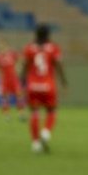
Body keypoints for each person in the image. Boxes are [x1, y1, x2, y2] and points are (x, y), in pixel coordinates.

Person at [21, 24, 66, 153]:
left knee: (34, 113)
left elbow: (24, 67)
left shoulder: (29, 48)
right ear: (48, 35)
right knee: (51, 111)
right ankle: (46, 132)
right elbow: (59, 65)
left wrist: (22, 82)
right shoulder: (53, 48)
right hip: (48, 85)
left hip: (32, 85)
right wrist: (64, 81)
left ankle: (35, 144)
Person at [0, 39, 24, 121]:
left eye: (2, 45)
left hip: (13, 78)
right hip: (4, 79)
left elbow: (20, 59)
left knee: (19, 94)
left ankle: (21, 114)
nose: (0, 47)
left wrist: (18, 68)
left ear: (6, 46)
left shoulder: (12, 54)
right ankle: (6, 115)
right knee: (5, 97)